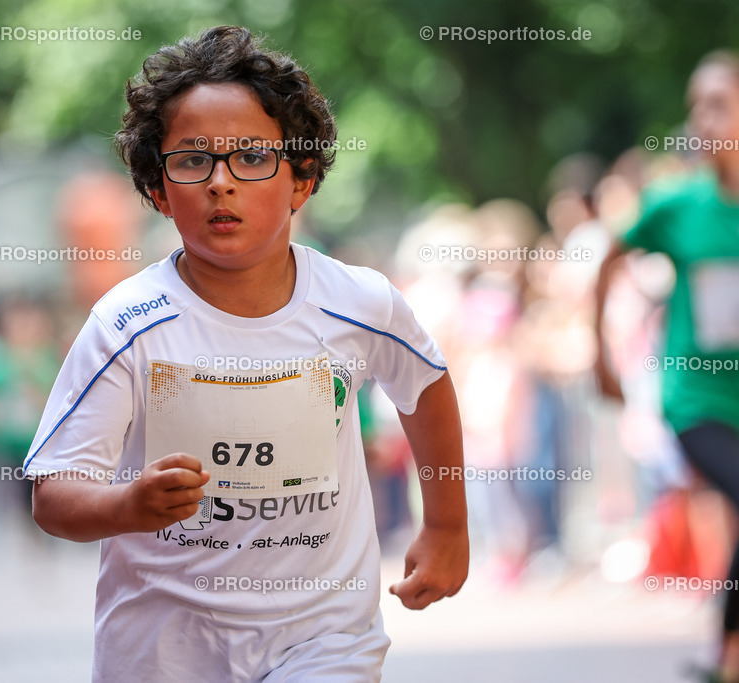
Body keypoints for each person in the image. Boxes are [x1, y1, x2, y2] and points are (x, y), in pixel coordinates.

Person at [26, 26, 469, 681]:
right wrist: (126, 505)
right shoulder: (127, 324)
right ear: (156, 188)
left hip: (325, 637)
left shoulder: (360, 303)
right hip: (164, 649)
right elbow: (54, 493)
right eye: (192, 161)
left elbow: (426, 385)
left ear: (302, 179)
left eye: (252, 159)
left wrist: (447, 525)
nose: (221, 183)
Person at [595, 51, 739, 683]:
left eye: (718, 104)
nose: (701, 120)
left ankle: (727, 658)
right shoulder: (676, 205)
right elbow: (609, 259)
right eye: (696, 106)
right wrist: (601, 352)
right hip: (696, 401)